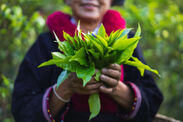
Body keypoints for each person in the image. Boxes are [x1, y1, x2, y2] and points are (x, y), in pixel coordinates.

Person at [12, 0, 163, 122]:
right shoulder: (46, 43)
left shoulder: (125, 41)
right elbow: (22, 108)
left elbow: (152, 99)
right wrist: (65, 88)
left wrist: (116, 88)